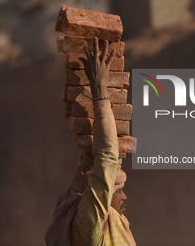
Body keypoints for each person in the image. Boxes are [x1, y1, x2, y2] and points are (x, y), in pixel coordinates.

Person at [45, 38, 136, 246]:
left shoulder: (112, 223)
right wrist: (99, 91)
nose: (124, 198)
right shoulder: (87, 229)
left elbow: (98, 162)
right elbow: (106, 161)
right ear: (92, 196)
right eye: (119, 191)